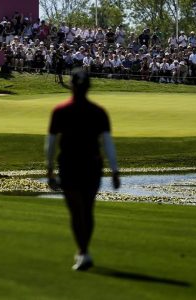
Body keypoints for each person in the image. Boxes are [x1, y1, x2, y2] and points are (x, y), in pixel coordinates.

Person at [45, 69, 120, 271]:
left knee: (78, 211)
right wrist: (115, 170)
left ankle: (83, 252)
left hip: (70, 165)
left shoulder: (60, 110)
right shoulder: (98, 112)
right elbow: (108, 144)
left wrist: (49, 168)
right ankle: (84, 252)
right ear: (88, 87)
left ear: (71, 85)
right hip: (91, 165)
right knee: (87, 209)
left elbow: (51, 144)